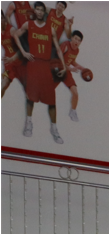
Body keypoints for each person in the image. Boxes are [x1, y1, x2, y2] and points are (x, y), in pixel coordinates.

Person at [13, 1, 63, 143]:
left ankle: (54, 129)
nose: (39, 12)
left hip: (45, 66)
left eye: (42, 10)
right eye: (37, 10)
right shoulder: (28, 25)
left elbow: (58, 49)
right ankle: (28, 124)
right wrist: (24, 52)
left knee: (51, 101)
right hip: (33, 65)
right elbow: (15, 35)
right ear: (34, 11)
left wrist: (64, 66)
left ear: (44, 12)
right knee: (31, 97)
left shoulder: (50, 29)